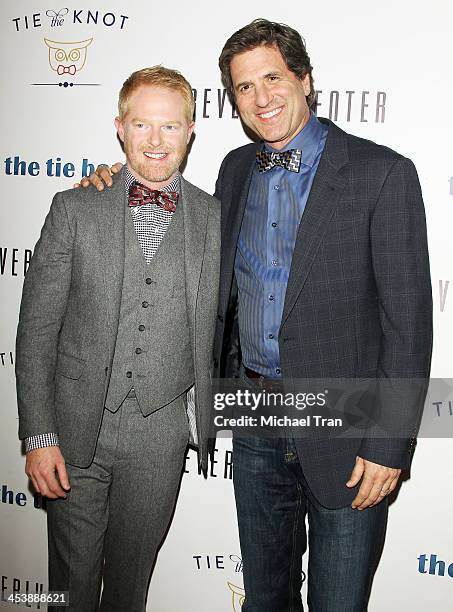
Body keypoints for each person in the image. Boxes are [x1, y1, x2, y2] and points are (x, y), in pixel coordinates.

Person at [81, 19, 432, 612]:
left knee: (338, 603)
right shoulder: (236, 169)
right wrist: (116, 184)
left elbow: (409, 325)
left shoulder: (383, 172)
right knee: (264, 599)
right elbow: (178, 233)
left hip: (347, 428)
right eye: (244, 87)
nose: (261, 97)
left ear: (306, 80)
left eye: (273, 78)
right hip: (255, 417)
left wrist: (390, 444)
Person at [15, 66, 220, 612]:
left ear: (190, 131)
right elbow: (36, 331)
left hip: (159, 437)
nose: (156, 141)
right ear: (120, 128)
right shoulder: (75, 208)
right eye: (143, 126)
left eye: (170, 127)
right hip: (76, 430)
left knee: (131, 589)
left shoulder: (215, 217)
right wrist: (38, 436)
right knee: (70, 587)